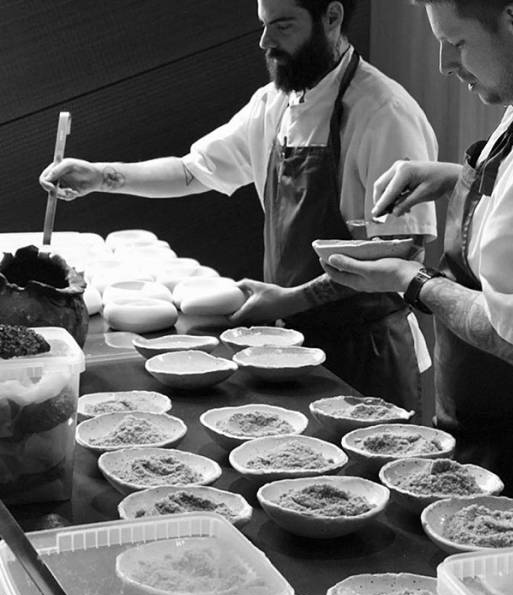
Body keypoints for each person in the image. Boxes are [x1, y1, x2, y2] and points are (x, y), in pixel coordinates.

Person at [39, 0, 438, 416]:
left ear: (332, 18)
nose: (265, 41)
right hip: (291, 344)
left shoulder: (383, 113)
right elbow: (192, 171)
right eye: (263, 25)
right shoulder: (274, 105)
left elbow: (400, 252)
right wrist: (100, 176)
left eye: (282, 26)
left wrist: (290, 300)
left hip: (365, 351)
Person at [323, 0, 513, 537]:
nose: (444, 64)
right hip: (502, 432)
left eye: (456, 43)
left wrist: (411, 282)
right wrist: (456, 179)